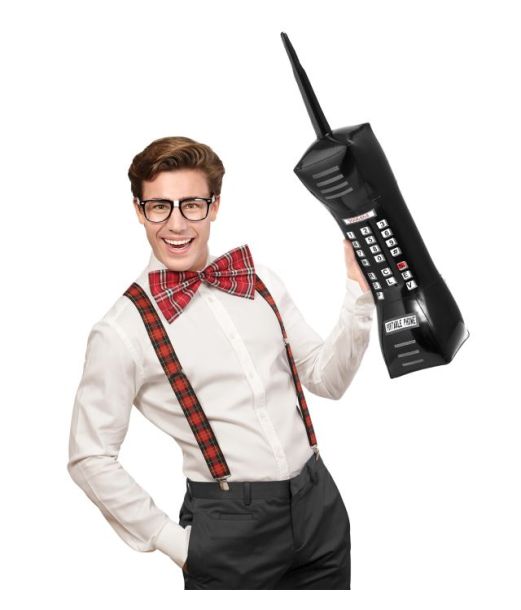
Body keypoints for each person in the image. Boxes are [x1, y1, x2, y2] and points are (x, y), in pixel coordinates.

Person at [67, 135, 375, 590]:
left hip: (318, 508)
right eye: (159, 207)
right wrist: (175, 544)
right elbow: (89, 455)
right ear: (139, 210)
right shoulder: (121, 330)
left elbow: (325, 379)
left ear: (214, 206)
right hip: (230, 529)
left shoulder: (260, 281)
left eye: (192, 205)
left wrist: (359, 294)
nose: (176, 224)